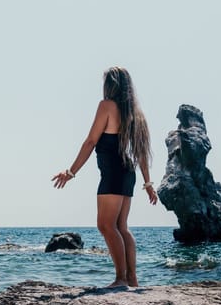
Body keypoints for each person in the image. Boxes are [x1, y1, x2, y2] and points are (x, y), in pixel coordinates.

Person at [52, 66, 157, 288]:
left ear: (110, 85)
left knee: (106, 225)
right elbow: (140, 154)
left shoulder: (107, 106)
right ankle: (132, 279)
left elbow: (91, 141)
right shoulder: (134, 113)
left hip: (112, 174)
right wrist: (148, 183)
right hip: (128, 174)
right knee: (121, 226)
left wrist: (71, 172)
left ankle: (121, 278)